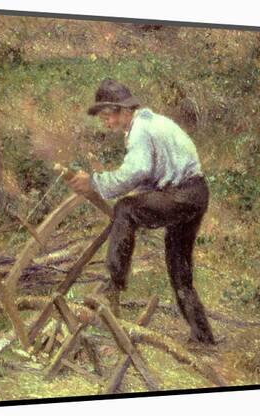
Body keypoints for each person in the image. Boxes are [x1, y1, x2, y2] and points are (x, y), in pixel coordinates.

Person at [69, 79, 215, 344]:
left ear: (123, 111)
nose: (106, 123)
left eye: (107, 116)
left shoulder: (140, 130)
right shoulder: (152, 123)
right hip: (195, 194)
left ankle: (114, 283)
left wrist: (94, 182)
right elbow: (152, 175)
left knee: (125, 209)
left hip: (182, 194)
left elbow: (137, 171)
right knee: (179, 268)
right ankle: (203, 336)